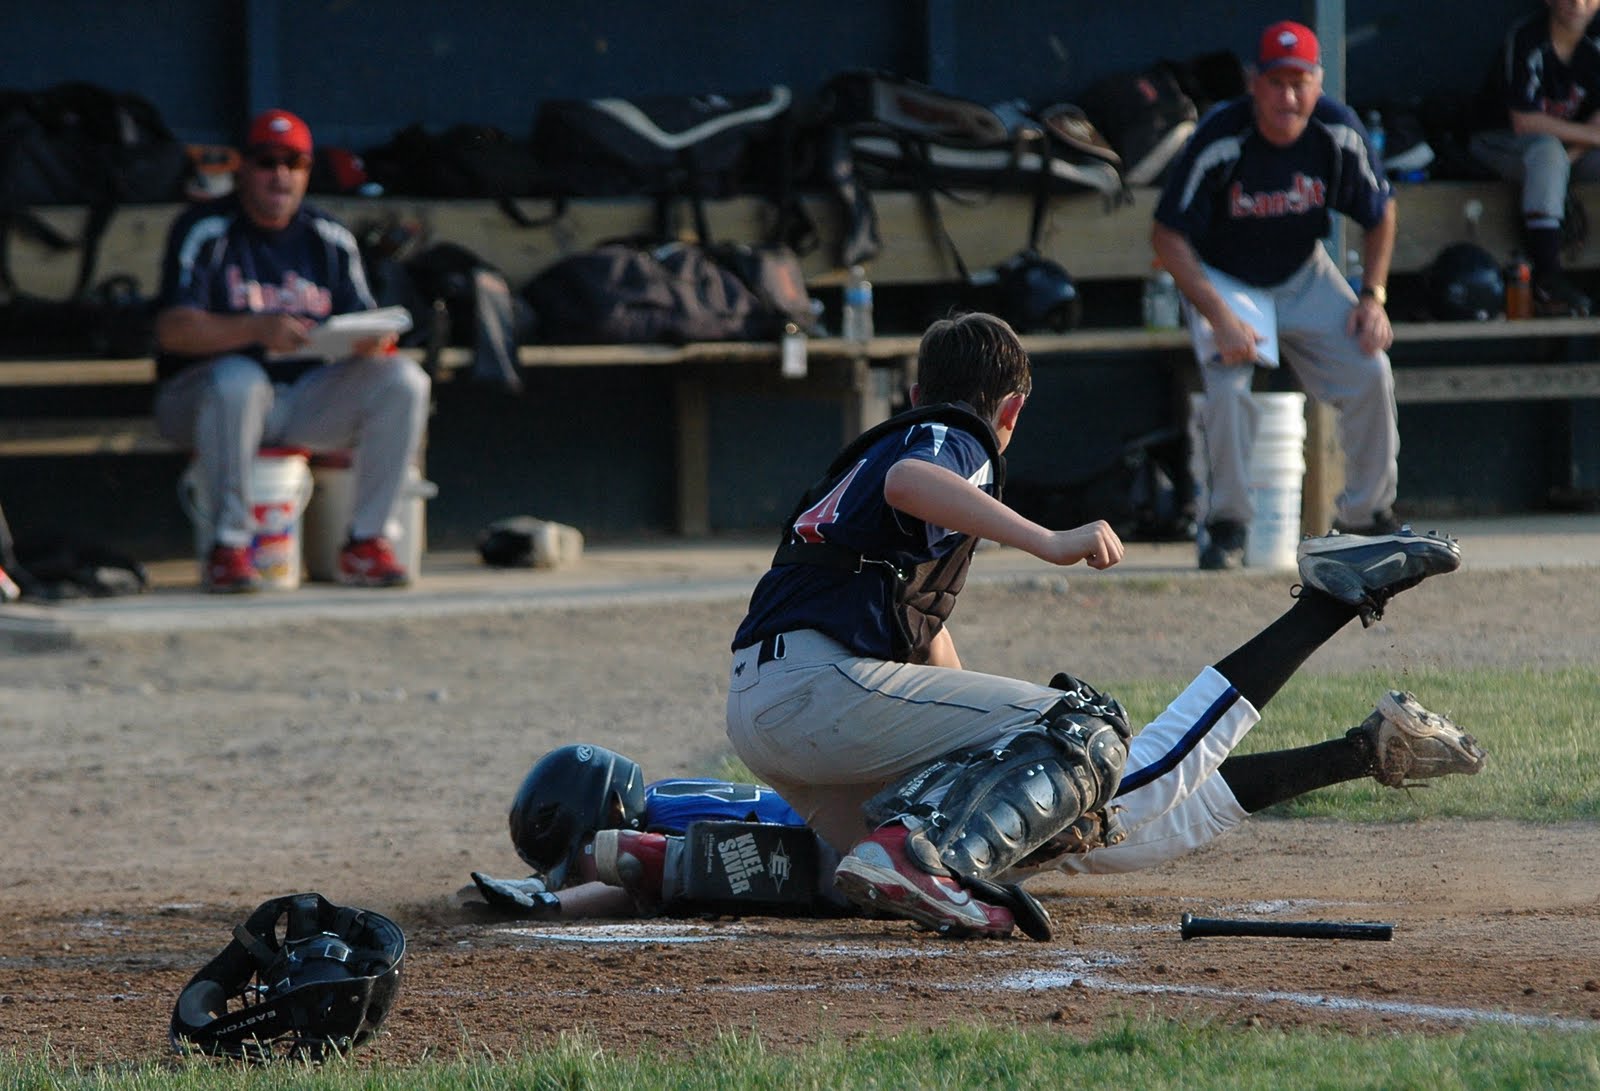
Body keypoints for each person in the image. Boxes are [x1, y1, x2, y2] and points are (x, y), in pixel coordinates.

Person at [721, 310, 1470, 941]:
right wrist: (1048, 541)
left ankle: (1361, 749)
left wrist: (1011, 762)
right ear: (1010, 410)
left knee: (1097, 825)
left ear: (916, 388)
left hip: (775, 709)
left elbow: (924, 647)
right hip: (818, 692)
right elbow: (913, 482)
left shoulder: (880, 460)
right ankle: (1328, 603)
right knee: (1088, 736)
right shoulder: (952, 435)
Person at [467, 697, 1486, 925]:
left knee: (1141, 797)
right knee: (1150, 812)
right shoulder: (676, 791)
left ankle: (1355, 727)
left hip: (925, 833)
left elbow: (625, 866)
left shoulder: (661, 821)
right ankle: (1362, 750)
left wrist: (554, 895)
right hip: (915, 813)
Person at [1150, 20, 1401, 568]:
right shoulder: (1223, 134)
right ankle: (1228, 522)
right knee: (1226, 385)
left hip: (1302, 272)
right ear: (1254, 84)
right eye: (1276, 82)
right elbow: (1167, 234)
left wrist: (1372, 296)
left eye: (1300, 81)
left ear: (1317, 82)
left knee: (1370, 368)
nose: (1289, 96)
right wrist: (1217, 313)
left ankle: (1366, 516)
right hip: (1227, 278)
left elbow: (1380, 214)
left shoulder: (1336, 131)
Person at [153, 108, 430, 592]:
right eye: (267, 161)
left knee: (404, 381)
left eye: (294, 163)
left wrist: (369, 343)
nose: (280, 175)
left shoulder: (329, 238)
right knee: (239, 379)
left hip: (302, 398)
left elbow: (363, 320)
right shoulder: (206, 230)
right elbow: (172, 331)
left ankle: (367, 542)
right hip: (201, 402)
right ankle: (230, 546)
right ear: (244, 169)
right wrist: (255, 329)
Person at [1469, 0, 1600, 317]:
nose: (1577, 3)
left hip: (1565, 154)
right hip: (1499, 143)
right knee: (1546, 151)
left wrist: (1565, 164)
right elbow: (1523, 121)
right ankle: (1548, 277)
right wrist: (1577, 149)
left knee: (1551, 155)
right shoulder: (1527, 36)